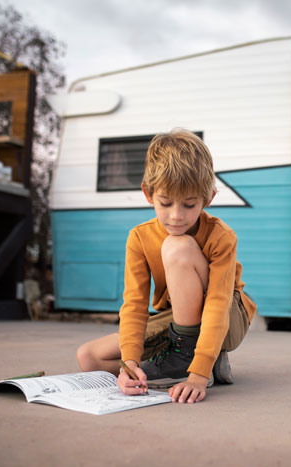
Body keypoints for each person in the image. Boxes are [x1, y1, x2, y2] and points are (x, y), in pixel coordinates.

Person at [76, 129, 257, 404]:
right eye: (165, 203)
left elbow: (219, 303)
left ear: (208, 198)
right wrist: (130, 364)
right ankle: (196, 362)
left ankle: (191, 360)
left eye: (189, 204)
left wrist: (197, 374)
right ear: (148, 194)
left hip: (228, 317)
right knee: (89, 357)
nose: (176, 216)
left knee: (177, 245)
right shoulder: (139, 237)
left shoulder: (222, 236)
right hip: (178, 320)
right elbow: (135, 303)